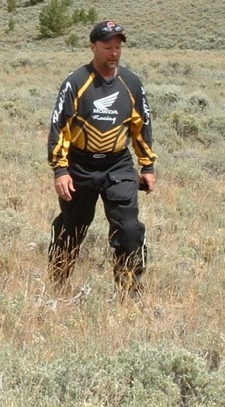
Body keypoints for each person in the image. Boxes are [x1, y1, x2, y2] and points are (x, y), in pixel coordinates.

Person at [47, 20, 157, 296]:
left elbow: (141, 125)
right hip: (79, 165)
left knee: (129, 229)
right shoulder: (76, 82)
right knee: (71, 228)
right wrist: (61, 170)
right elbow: (59, 126)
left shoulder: (130, 83)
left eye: (118, 47)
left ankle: (130, 292)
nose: (114, 53)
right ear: (93, 47)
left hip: (117, 164)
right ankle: (57, 287)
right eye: (107, 47)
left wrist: (148, 165)